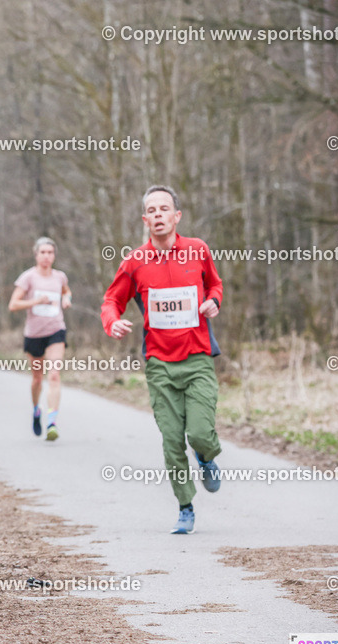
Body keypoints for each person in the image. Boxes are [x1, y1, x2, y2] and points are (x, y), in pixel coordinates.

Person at [101, 185, 224, 535]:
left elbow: (215, 286)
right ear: (145, 219)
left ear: (176, 216)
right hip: (160, 364)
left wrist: (214, 301)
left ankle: (206, 455)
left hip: (198, 357)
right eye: (151, 210)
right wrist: (112, 322)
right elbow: (111, 300)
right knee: (172, 440)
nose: (157, 215)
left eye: (163, 209)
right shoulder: (135, 262)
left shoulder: (198, 250)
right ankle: (185, 507)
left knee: (199, 433)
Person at [9, 237, 71, 441]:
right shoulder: (28, 277)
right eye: (42, 252)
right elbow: (13, 304)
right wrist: (36, 301)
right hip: (34, 334)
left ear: (54, 255)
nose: (46, 256)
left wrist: (66, 298)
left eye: (50, 252)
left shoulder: (60, 276)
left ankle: (52, 421)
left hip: (56, 331)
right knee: (37, 379)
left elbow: (66, 290)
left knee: (53, 375)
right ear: (36, 255)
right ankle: (36, 409)